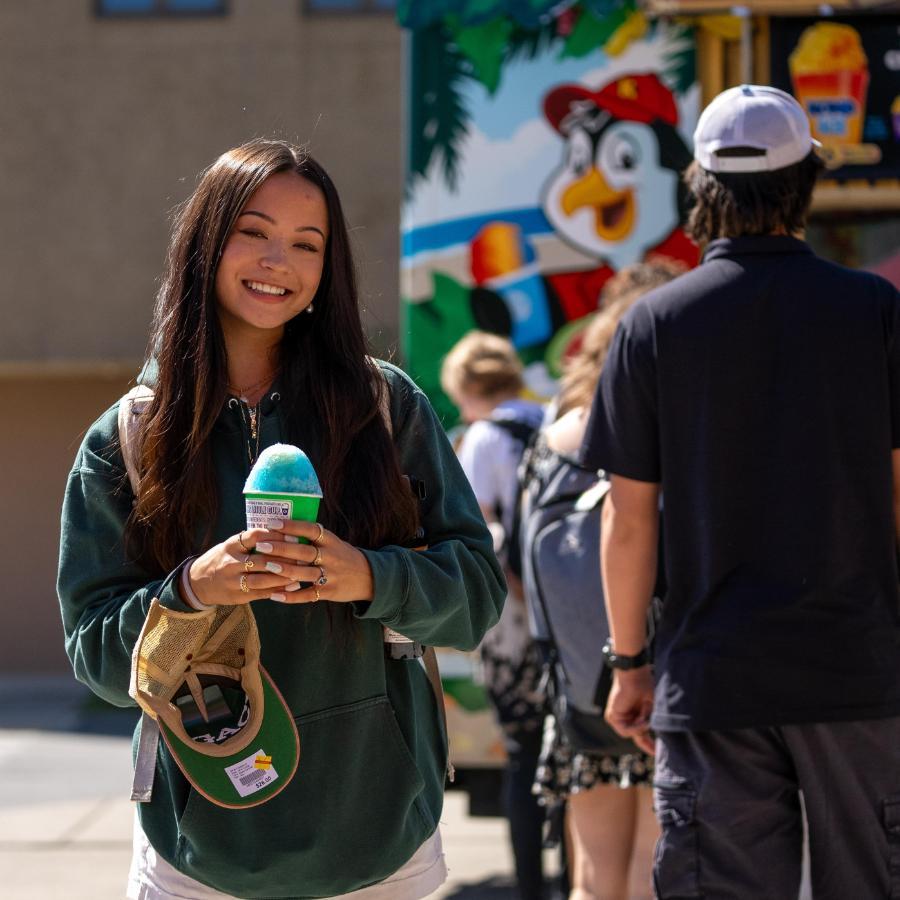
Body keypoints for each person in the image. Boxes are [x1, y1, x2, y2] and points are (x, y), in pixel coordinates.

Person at [57, 139, 505, 900]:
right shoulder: (129, 437)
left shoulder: (384, 409)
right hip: (199, 854)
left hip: (381, 843)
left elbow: (477, 596)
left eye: (308, 244)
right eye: (254, 232)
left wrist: (368, 575)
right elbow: (98, 656)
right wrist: (192, 591)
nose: (279, 261)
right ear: (206, 240)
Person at [582, 84, 900, 899]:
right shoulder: (874, 310)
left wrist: (629, 663)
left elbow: (628, 520)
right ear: (806, 181)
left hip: (713, 676)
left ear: (701, 185)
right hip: (858, 672)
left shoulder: (650, 326)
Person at [530, 262, 680, 900]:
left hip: (578, 685)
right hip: (653, 670)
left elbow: (519, 561)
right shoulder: (664, 430)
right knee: (654, 860)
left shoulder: (554, 433)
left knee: (591, 873)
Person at [440, 332, 547, 900]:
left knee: (525, 761)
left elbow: (481, 539)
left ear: (467, 387)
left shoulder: (483, 438)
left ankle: (531, 887)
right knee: (575, 758)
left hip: (515, 627)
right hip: (571, 625)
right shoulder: (549, 418)